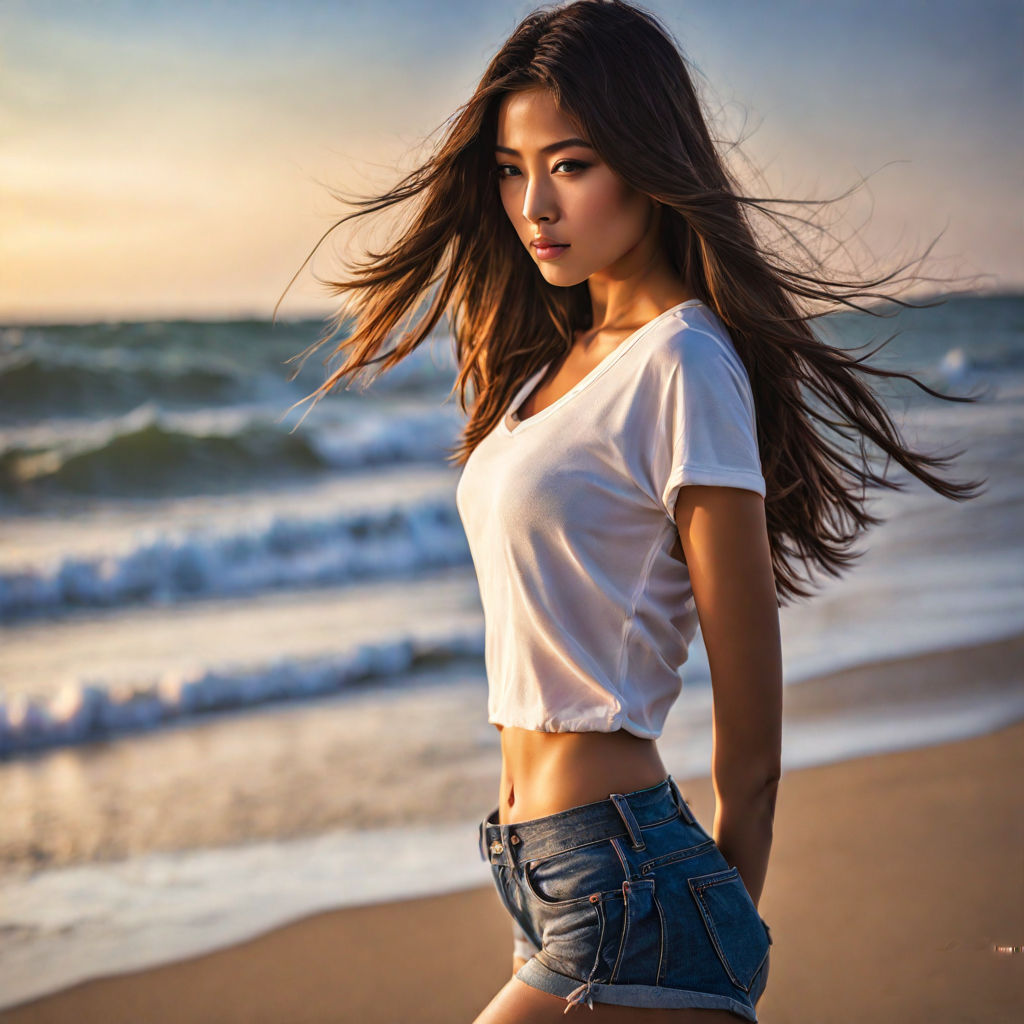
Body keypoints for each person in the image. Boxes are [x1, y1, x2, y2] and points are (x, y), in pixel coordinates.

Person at [277, 2, 984, 1019]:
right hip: (543, 875)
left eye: (569, 164)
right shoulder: (543, 371)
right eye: (512, 169)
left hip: (628, 885)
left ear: (647, 161)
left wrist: (714, 932)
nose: (534, 205)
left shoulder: (684, 361)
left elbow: (751, 736)